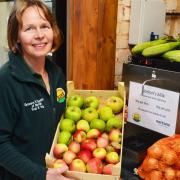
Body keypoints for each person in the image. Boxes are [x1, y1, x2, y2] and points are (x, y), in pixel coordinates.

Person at [0, 0, 73, 180]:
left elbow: (58, 115)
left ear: (53, 30)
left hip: (56, 171)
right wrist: (41, 175)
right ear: (16, 36)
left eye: (44, 26)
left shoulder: (56, 74)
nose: (40, 35)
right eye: (29, 28)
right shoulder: (6, 81)